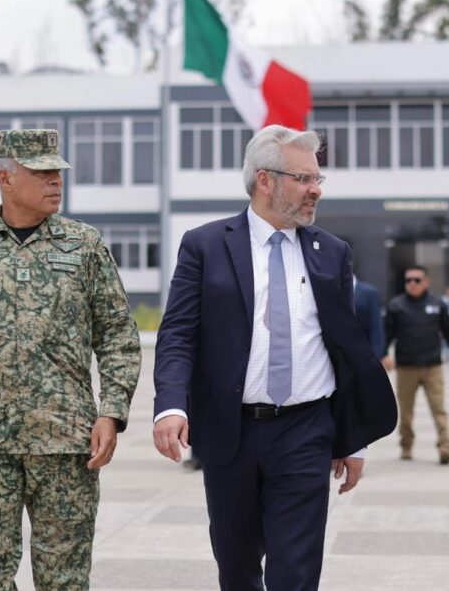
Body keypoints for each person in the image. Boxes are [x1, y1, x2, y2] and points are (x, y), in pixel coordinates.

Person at [152, 124, 397, 591]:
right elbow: (179, 334)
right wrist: (170, 405)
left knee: (296, 572)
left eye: (318, 179)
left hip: (306, 431)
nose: (316, 190)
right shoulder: (205, 246)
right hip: (230, 431)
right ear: (266, 180)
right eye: (304, 179)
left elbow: (345, 350)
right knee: (237, 567)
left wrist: (354, 439)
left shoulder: (333, 253)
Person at [0, 129, 141, 590]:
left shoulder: (85, 246)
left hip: (67, 443)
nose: (56, 181)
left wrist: (111, 411)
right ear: (5, 178)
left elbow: (117, 334)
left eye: (58, 172)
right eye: (42, 172)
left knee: (64, 579)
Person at [383, 266, 449, 464]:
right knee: (406, 412)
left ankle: (445, 448)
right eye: (408, 280)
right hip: (406, 368)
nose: (412, 283)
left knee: (439, 409)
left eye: (417, 280)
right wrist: (384, 354)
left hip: (432, 367)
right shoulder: (396, 306)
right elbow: (386, 335)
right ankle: (406, 446)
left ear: (426, 282)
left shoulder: (437, 305)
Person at [354, 275, 385, 358]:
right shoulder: (328, 289)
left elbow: (376, 328)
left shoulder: (369, 293)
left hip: (361, 356)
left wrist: (375, 359)